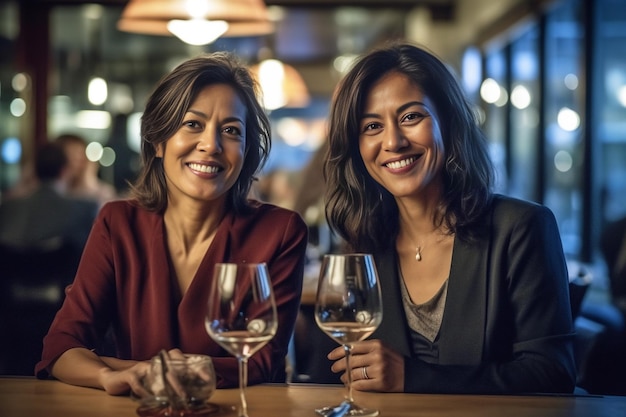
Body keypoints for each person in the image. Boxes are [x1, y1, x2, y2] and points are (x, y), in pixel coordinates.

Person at [35, 52, 309, 396]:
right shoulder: (117, 223)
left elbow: (261, 363)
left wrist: (130, 366)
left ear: (247, 152)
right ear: (158, 141)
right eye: (193, 124)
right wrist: (110, 377)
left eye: (231, 130)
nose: (211, 145)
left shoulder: (280, 232)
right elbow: (60, 350)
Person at [322, 42, 576, 394]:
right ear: (357, 147)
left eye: (411, 117)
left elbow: (553, 374)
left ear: (448, 121)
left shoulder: (522, 228)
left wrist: (413, 377)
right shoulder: (362, 244)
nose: (393, 142)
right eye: (372, 127)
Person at [0, 142, 98, 252]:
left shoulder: (8, 208)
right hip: (64, 269)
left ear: (34, 171)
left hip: (13, 268)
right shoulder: (85, 210)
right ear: (64, 171)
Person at [55, 133, 118, 207]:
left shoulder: (102, 193)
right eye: (71, 157)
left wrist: (88, 183)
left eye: (79, 158)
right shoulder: (54, 191)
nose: (75, 165)